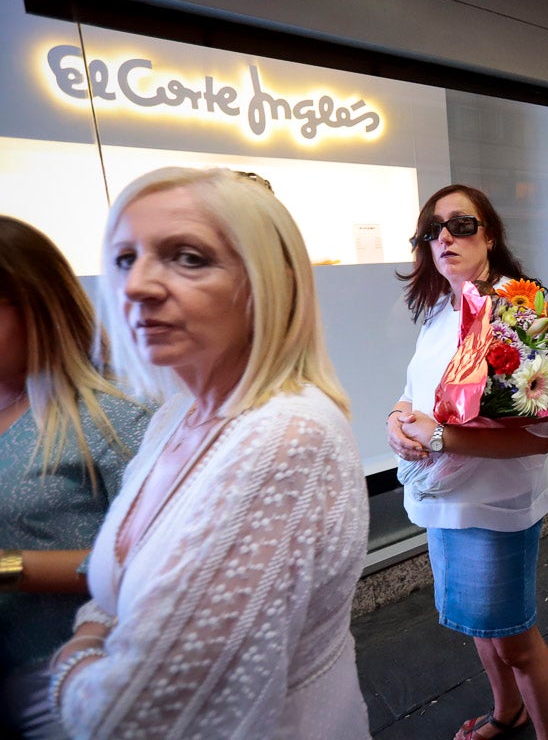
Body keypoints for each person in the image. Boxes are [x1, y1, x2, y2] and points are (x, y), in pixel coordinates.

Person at [50, 167, 370, 737]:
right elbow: (123, 577)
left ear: (273, 283)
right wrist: (98, 630)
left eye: (188, 257)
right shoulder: (177, 417)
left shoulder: (285, 440)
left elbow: (129, 721)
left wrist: (69, 659)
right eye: (125, 258)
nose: (137, 285)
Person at [388, 184, 548, 740]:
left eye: (460, 224)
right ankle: (507, 712)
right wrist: (396, 421)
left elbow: (540, 436)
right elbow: (413, 388)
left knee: (514, 637)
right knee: (480, 626)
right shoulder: (442, 311)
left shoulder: (523, 316)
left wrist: (441, 438)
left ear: (489, 234)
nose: (444, 237)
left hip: (497, 503)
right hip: (443, 498)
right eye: (431, 231)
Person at [0, 217, 152, 739]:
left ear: (37, 304)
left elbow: (152, 562)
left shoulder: (111, 411)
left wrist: (9, 568)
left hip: (69, 676)